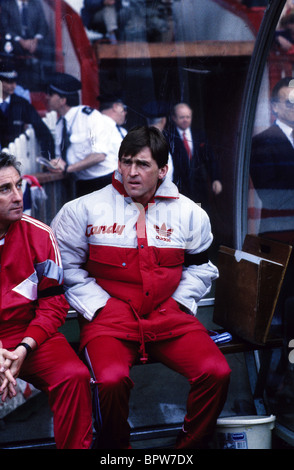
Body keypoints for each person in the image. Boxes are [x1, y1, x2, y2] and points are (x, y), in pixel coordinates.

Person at [51, 126, 231, 449]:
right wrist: (102, 306)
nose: (132, 172)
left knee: (216, 372)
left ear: (163, 170)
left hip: (169, 319)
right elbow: (66, 270)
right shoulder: (83, 210)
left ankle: (186, 451)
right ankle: (118, 452)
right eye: (126, 162)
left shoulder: (190, 213)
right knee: (109, 380)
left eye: (143, 164)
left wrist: (178, 303)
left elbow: (201, 267)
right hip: (109, 322)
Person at [0, 152, 93, 449]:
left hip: (30, 335)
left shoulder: (40, 235)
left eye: (19, 185)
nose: (18, 196)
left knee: (73, 375)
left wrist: (25, 347)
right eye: (5, 189)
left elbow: (54, 303)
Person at [250, 76, 294, 405]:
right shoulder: (264, 141)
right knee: (289, 312)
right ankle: (284, 380)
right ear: (277, 107)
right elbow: (272, 194)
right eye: (291, 103)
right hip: (282, 239)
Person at [46, 73, 112, 197]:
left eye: (51, 94)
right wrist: (56, 164)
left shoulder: (89, 117)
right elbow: (63, 159)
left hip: (104, 182)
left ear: (62, 100)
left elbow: (99, 155)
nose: (47, 97)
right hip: (82, 184)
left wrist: (68, 168)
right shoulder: (60, 124)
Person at [167, 102, 222, 211]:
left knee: (200, 218)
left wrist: (215, 179)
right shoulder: (168, 137)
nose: (185, 120)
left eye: (188, 117)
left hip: (198, 189)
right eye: (182, 117)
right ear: (174, 118)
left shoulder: (199, 135)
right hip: (179, 189)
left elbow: (210, 159)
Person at [0, 61, 55, 159]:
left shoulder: (21, 104)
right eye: (9, 82)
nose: (13, 86)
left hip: (17, 158)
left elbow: (43, 132)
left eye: (14, 81)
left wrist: (49, 159)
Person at [0, 0, 55, 90]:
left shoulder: (36, 3)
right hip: (15, 41)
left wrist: (35, 40)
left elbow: (43, 26)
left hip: (33, 42)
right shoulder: (7, 4)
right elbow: (4, 27)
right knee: (6, 48)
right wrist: (20, 40)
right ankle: (10, 82)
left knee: (48, 49)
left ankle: (46, 85)